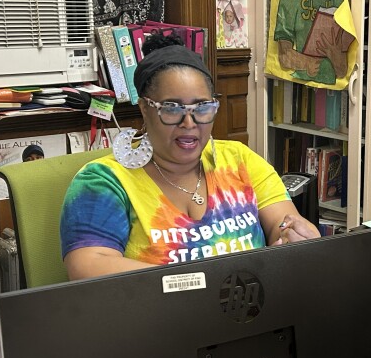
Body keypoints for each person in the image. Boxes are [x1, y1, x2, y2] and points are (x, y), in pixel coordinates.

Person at [61, 35, 320, 279]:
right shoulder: (105, 180)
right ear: (145, 109)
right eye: (172, 108)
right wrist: (199, 282)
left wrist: (296, 235)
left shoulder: (239, 160)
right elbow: (88, 266)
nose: (189, 122)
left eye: (202, 107)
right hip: (157, 311)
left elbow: (282, 224)